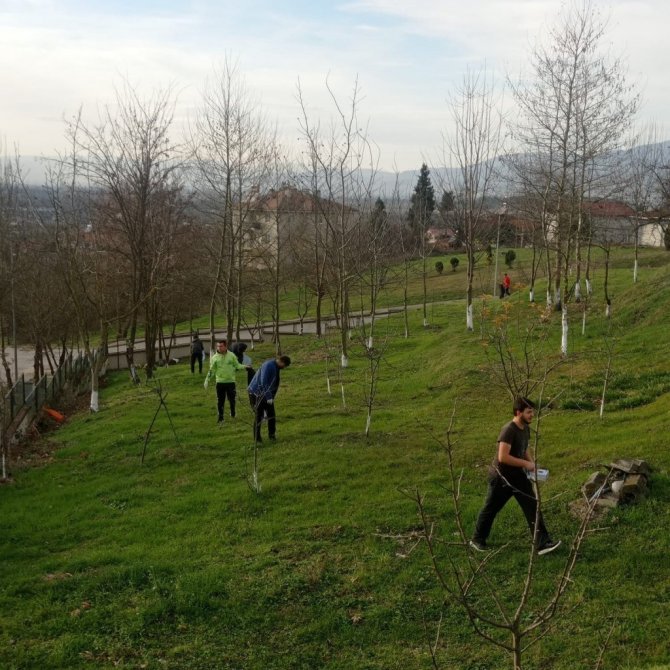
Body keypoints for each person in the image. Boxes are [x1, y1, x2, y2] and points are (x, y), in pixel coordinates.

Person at [470, 397, 561, 556]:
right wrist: (526, 464)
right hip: (501, 478)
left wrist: (532, 465)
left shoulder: (525, 428)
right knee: (491, 508)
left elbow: (524, 449)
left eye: (532, 411)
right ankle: (477, 540)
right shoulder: (508, 430)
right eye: (529, 412)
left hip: (518, 476)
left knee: (532, 506)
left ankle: (542, 544)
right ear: (518, 412)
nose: (532, 415)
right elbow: (503, 457)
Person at [247, 355, 291, 443]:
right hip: (256, 393)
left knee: (271, 415)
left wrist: (270, 396)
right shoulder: (269, 365)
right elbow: (263, 382)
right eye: (284, 366)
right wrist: (268, 396)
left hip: (266, 393)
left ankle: (272, 435)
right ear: (282, 362)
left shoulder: (275, 366)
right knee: (259, 416)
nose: (284, 368)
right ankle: (257, 439)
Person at [204, 340, 250, 424]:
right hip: (220, 382)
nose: (219, 348)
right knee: (220, 401)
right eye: (218, 346)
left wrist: (244, 366)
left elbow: (237, 365)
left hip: (230, 382)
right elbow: (212, 370)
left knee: (232, 400)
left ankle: (233, 413)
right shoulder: (214, 358)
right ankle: (221, 418)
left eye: (221, 346)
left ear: (225, 346)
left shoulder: (232, 355)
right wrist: (207, 380)